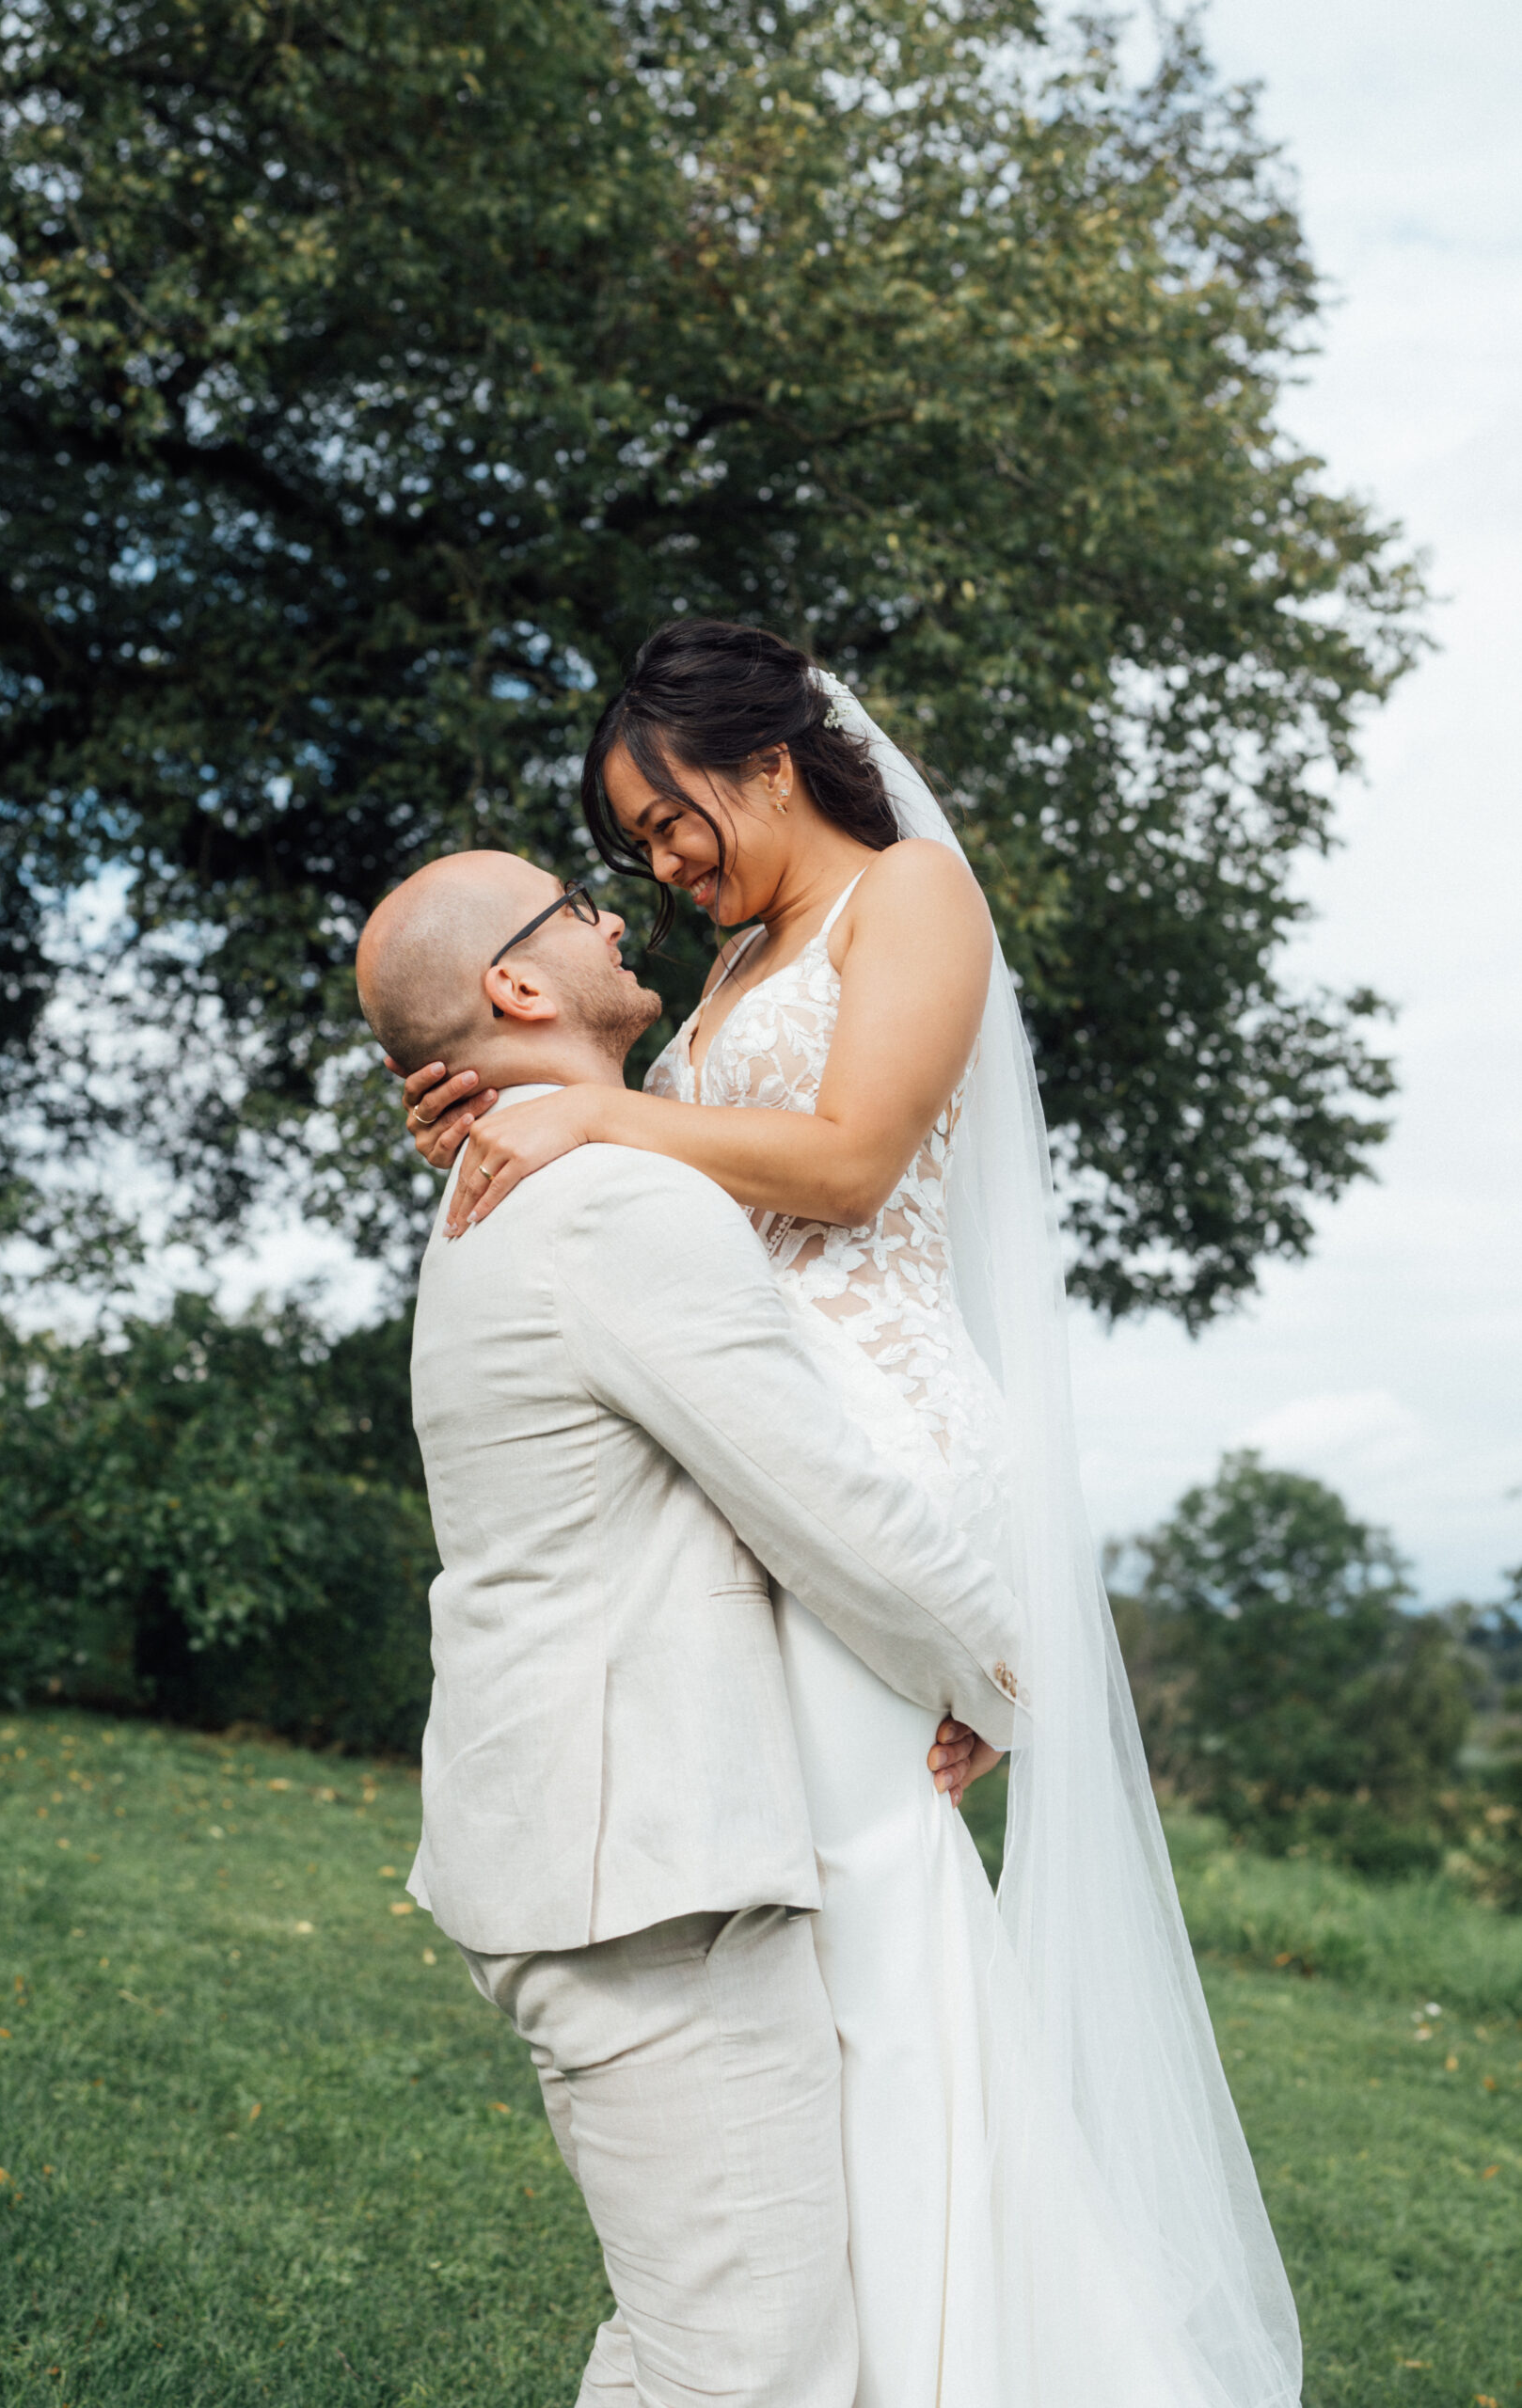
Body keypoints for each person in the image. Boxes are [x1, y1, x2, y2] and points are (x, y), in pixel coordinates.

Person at [399, 621, 1304, 2408]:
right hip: (761, 1436)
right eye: (633, 848)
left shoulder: (914, 899)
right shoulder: (731, 968)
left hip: (871, 1435)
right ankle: (839, 2322)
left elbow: (850, 1160)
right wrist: (538, 1115)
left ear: (766, 761)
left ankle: (926, 2347)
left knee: (873, 1915)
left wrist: (591, 1122)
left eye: (670, 822)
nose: (664, 869)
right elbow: (656, 1208)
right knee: (820, 1917)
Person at [355, 848, 1024, 2408]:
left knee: (698, 2340)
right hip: (635, 1869)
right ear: (520, 984)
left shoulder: (519, 1186)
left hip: (602, 1851)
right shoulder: (608, 1202)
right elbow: (822, 1494)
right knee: (749, 2368)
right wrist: (1001, 1671)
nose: (616, 913)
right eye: (574, 905)